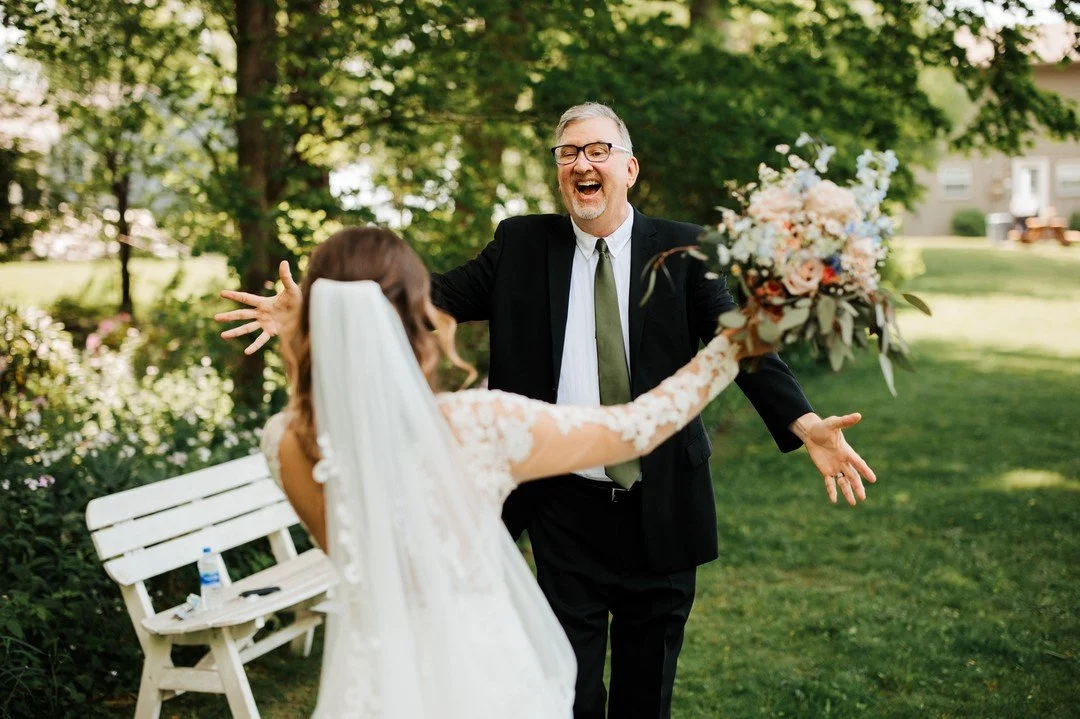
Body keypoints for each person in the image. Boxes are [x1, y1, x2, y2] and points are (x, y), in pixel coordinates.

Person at [217, 103, 875, 719]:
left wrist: (803, 422)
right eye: (567, 153)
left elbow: (745, 339)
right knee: (570, 689)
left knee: (649, 692)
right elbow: (425, 294)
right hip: (563, 508)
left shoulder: (686, 249)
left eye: (597, 150)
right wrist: (318, 309)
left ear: (629, 167)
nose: (581, 164)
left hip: (662, 501)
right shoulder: (522, 245)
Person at [226, 226, 788, 717]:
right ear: (419, 314)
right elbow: (639, 425)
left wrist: (313, 327)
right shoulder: (478, 424)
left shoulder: (287, 444)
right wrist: (740, 339)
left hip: (374, 677)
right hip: (483, 678)